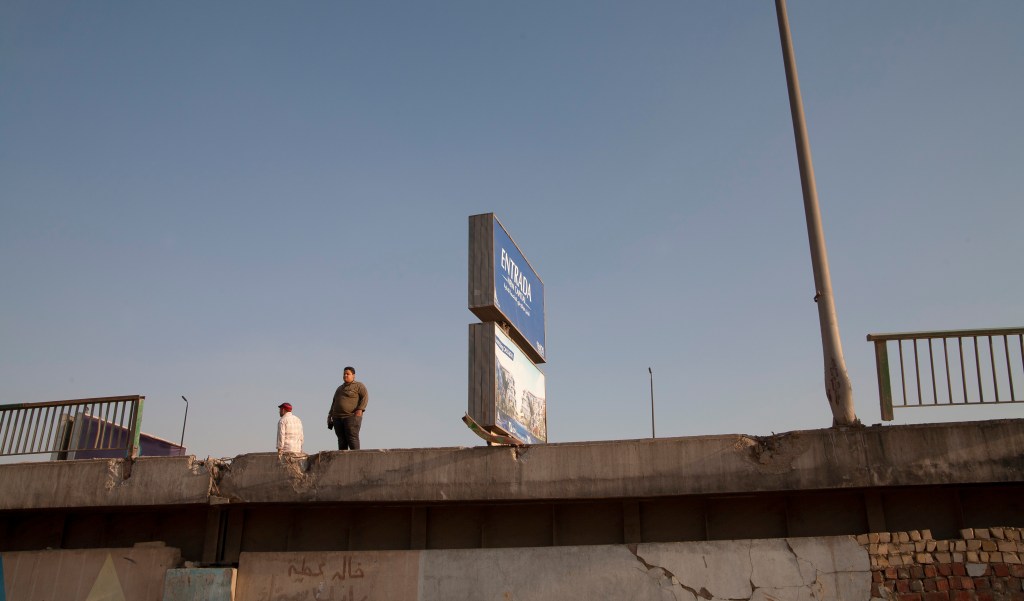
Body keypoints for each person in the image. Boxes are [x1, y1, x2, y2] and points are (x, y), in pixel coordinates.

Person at [328, 366, 368, 450]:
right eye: (344, 374)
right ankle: (343, 458)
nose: (345, 375)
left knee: (352, 438)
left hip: (351, 416)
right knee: (341, 440)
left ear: (353, 375)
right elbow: (334, 402)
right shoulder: (339, 388)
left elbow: (365, 397)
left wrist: (360, 409)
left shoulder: (358, 386)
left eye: (347, 374)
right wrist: (330, 415)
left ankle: (356, 457)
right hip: (337, 418)